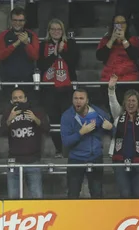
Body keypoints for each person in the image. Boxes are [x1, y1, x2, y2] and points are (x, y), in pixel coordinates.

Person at [107, 75, 139, 198]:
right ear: (124, 103)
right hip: (120, 161)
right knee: (125, 194)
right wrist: (111, 89)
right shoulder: (118, 115)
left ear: (138, 103)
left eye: (133, 101)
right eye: (128, 101)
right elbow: (112, 101)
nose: (131, 104)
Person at [60, 88, 113, 199]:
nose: (78, 101)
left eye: (81, 98)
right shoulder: (67, 116)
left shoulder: (98, 113)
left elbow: (116, 132)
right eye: (75, 98)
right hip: (76, 160)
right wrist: (80, 133)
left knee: (97, 194)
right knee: (73, 195)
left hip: (95, 158)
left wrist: (111, 128)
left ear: (87, 100)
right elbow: (66, 141)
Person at [38, 18, 78, 155]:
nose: (56, 32)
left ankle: (68, 149)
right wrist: (55, 53)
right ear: (49, 31)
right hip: (49, 89)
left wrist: (62, 52)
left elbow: (74, 62)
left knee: (67, 120)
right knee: (54, 121)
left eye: (59, 29)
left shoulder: (70, 43)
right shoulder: (43, 45)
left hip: (67, 88)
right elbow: (41, 65)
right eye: (53, 29)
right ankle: (59, 150)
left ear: (63, 31)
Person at [0, 87, 49, 199]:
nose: (18, 100)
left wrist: (35, 119)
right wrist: (9, 119)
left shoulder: (36, 110)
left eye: (20, 97)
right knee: (13, 198)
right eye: (15, 98)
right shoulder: (8, 112)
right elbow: (1, 133)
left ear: (25, 99)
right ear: (11, 101)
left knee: (37, 196)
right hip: (14, 161)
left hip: (33, 160)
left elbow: (47, 129)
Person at [0, 7, 40, 83]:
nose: (17, 23)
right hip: (7, 79)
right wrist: (15, 44)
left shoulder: (32, 35)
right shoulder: (3, 35)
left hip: (27, 79)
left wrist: (26, 43)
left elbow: (35, 56)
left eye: (20, 21)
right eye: (15, 20)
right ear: (11, 21)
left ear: (25, 21)